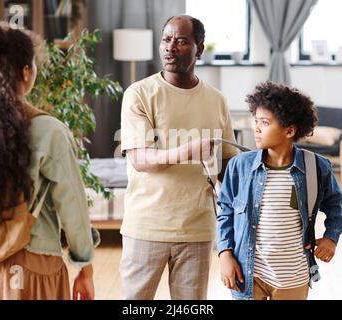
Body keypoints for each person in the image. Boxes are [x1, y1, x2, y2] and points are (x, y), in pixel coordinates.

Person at [0, 22, 95, 300]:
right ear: (26, 71)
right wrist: (84, 267)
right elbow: (73, 206)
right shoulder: (48, 130)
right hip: (33, 263)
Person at [119, 15, 239, 300]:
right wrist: (187, 151)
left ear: (199, 48)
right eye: (166, 39)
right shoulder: (139, 94)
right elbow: (140, 158)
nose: (170, 47)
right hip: (146, 226)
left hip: (198, 228)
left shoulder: (217, 100)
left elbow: (228, 165)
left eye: (181, 41)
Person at [217, 81, 342, 300]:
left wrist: (331, 237)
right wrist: (224, 254)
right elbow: (225, 211)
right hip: (247, 272)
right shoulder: (239, 167)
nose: (256, 128)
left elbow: (335, 206)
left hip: (293, 276)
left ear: (289, 130)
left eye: (265, 122)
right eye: (256, 121)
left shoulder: (316, 167)